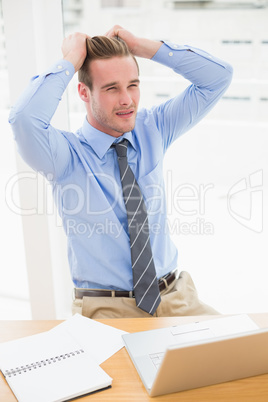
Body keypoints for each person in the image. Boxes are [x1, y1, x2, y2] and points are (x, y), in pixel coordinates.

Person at [9, 26, 233, 318]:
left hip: (177, 297)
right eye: (112, 88)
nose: (127, 99)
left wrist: (143, 47)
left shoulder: (154, 128)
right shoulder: (65, 156)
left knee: (245, 356)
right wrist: (71, 60)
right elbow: (24, 119)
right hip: (108, 308)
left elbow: (218, 78)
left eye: (133, 85)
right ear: (83, 92)